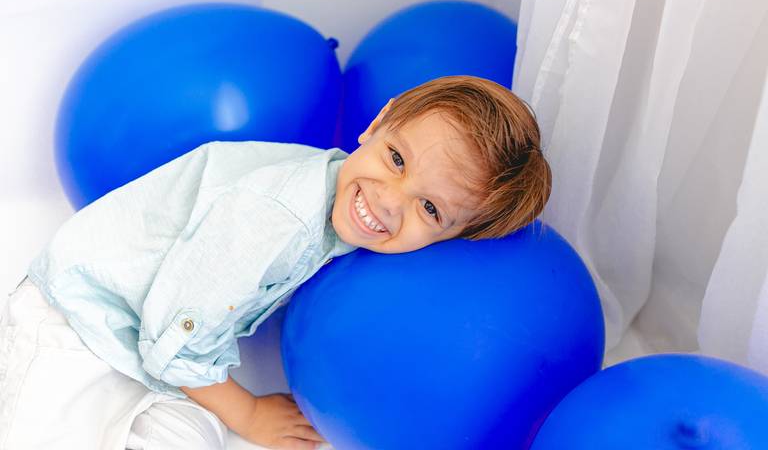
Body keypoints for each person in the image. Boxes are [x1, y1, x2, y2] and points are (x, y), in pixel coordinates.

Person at [0, 75, 551, 450]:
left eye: (430, 209)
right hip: (76, 321)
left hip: (145, 345)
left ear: (455, 238)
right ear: (377, 124)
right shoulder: (277, 218)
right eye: (396, 159)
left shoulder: (342, 200)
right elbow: (175, 343)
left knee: (192, 437)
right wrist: (249, 413)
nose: (389, 200)